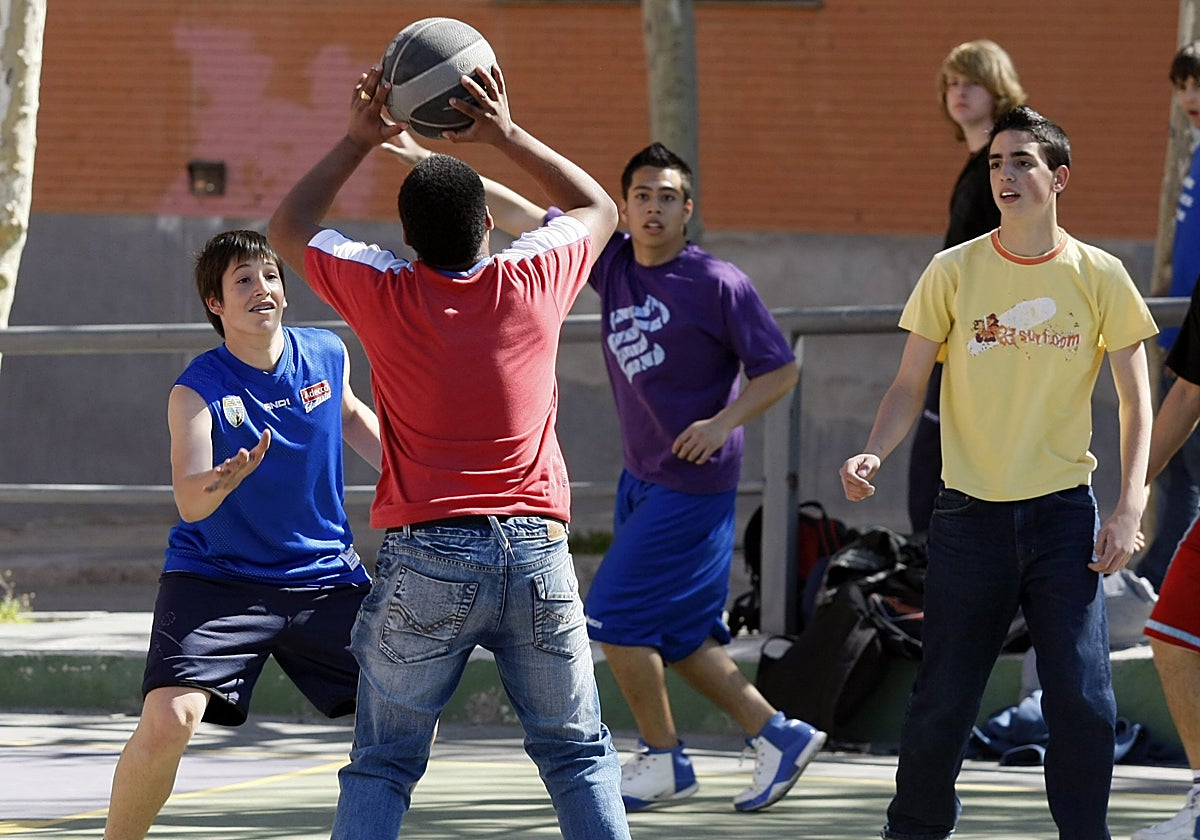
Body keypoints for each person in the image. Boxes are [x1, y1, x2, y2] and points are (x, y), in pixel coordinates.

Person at [390, 130, 826, 813]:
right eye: (642, 196)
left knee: (618, 620)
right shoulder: (612, 262)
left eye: (669, 198)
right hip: (642, 476)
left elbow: (781, 369)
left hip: (694, 482)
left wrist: (721, 424)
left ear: (689, 210)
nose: (654, 208)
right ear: (623, 206)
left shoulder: (718, 283)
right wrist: (428, 164)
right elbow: (510, 209)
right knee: (680, 637)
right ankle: (777, 734)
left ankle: (664, 757)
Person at [267, 64, 630, 839]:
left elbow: (288, 229)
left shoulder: (382, 288)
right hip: (536, 549)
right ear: (492, 227)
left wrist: (359, 138)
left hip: (428, 555)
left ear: (404, 238)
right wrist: (505, 133)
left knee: (385, 763)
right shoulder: (536, 275)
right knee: (576, 755)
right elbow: (599, 206)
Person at [839, 106, 1156, 839]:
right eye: (996, 164)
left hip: (1062, 521)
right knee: (942, 700)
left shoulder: (1101, 275)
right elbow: (907, 386)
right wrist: (872, 452)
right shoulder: (952, 271)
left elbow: (1137, 405)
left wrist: (1129, 509)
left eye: (1022, 162)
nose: (1005, 176)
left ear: (1059, 177)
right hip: (968, 520)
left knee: (1082, 699)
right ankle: (913, 831)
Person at [103, 230, 382, 840]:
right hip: (218, 580)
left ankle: (366, 826)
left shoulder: (327, 354)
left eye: (271, 276)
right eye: (244, 281)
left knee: (409, 709)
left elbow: (352, 414)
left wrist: (411, 473)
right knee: (171, 719)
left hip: (325, 578)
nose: (264, 290)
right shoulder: (195, 390)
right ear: (216, 304)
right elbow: (189, 500)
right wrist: (222, 479)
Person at [907, 39, 1027, 536]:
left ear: (997, 88)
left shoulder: (1003, 165)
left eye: (971, 81)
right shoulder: (980, 164)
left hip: (982, 346)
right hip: (959, 342)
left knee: (936, 493)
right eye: (951, 83)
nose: (958, 93)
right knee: (931, 490)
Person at [1137, 41, 1200, 593]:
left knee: (1189, 470)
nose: (1190, 97)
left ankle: (1167, 580)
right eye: (1182, 86)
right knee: (1175, 467)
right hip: (1179, 333)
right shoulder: (1194, 153)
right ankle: (1163, 576)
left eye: (1199, 85)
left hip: (1192, 344)